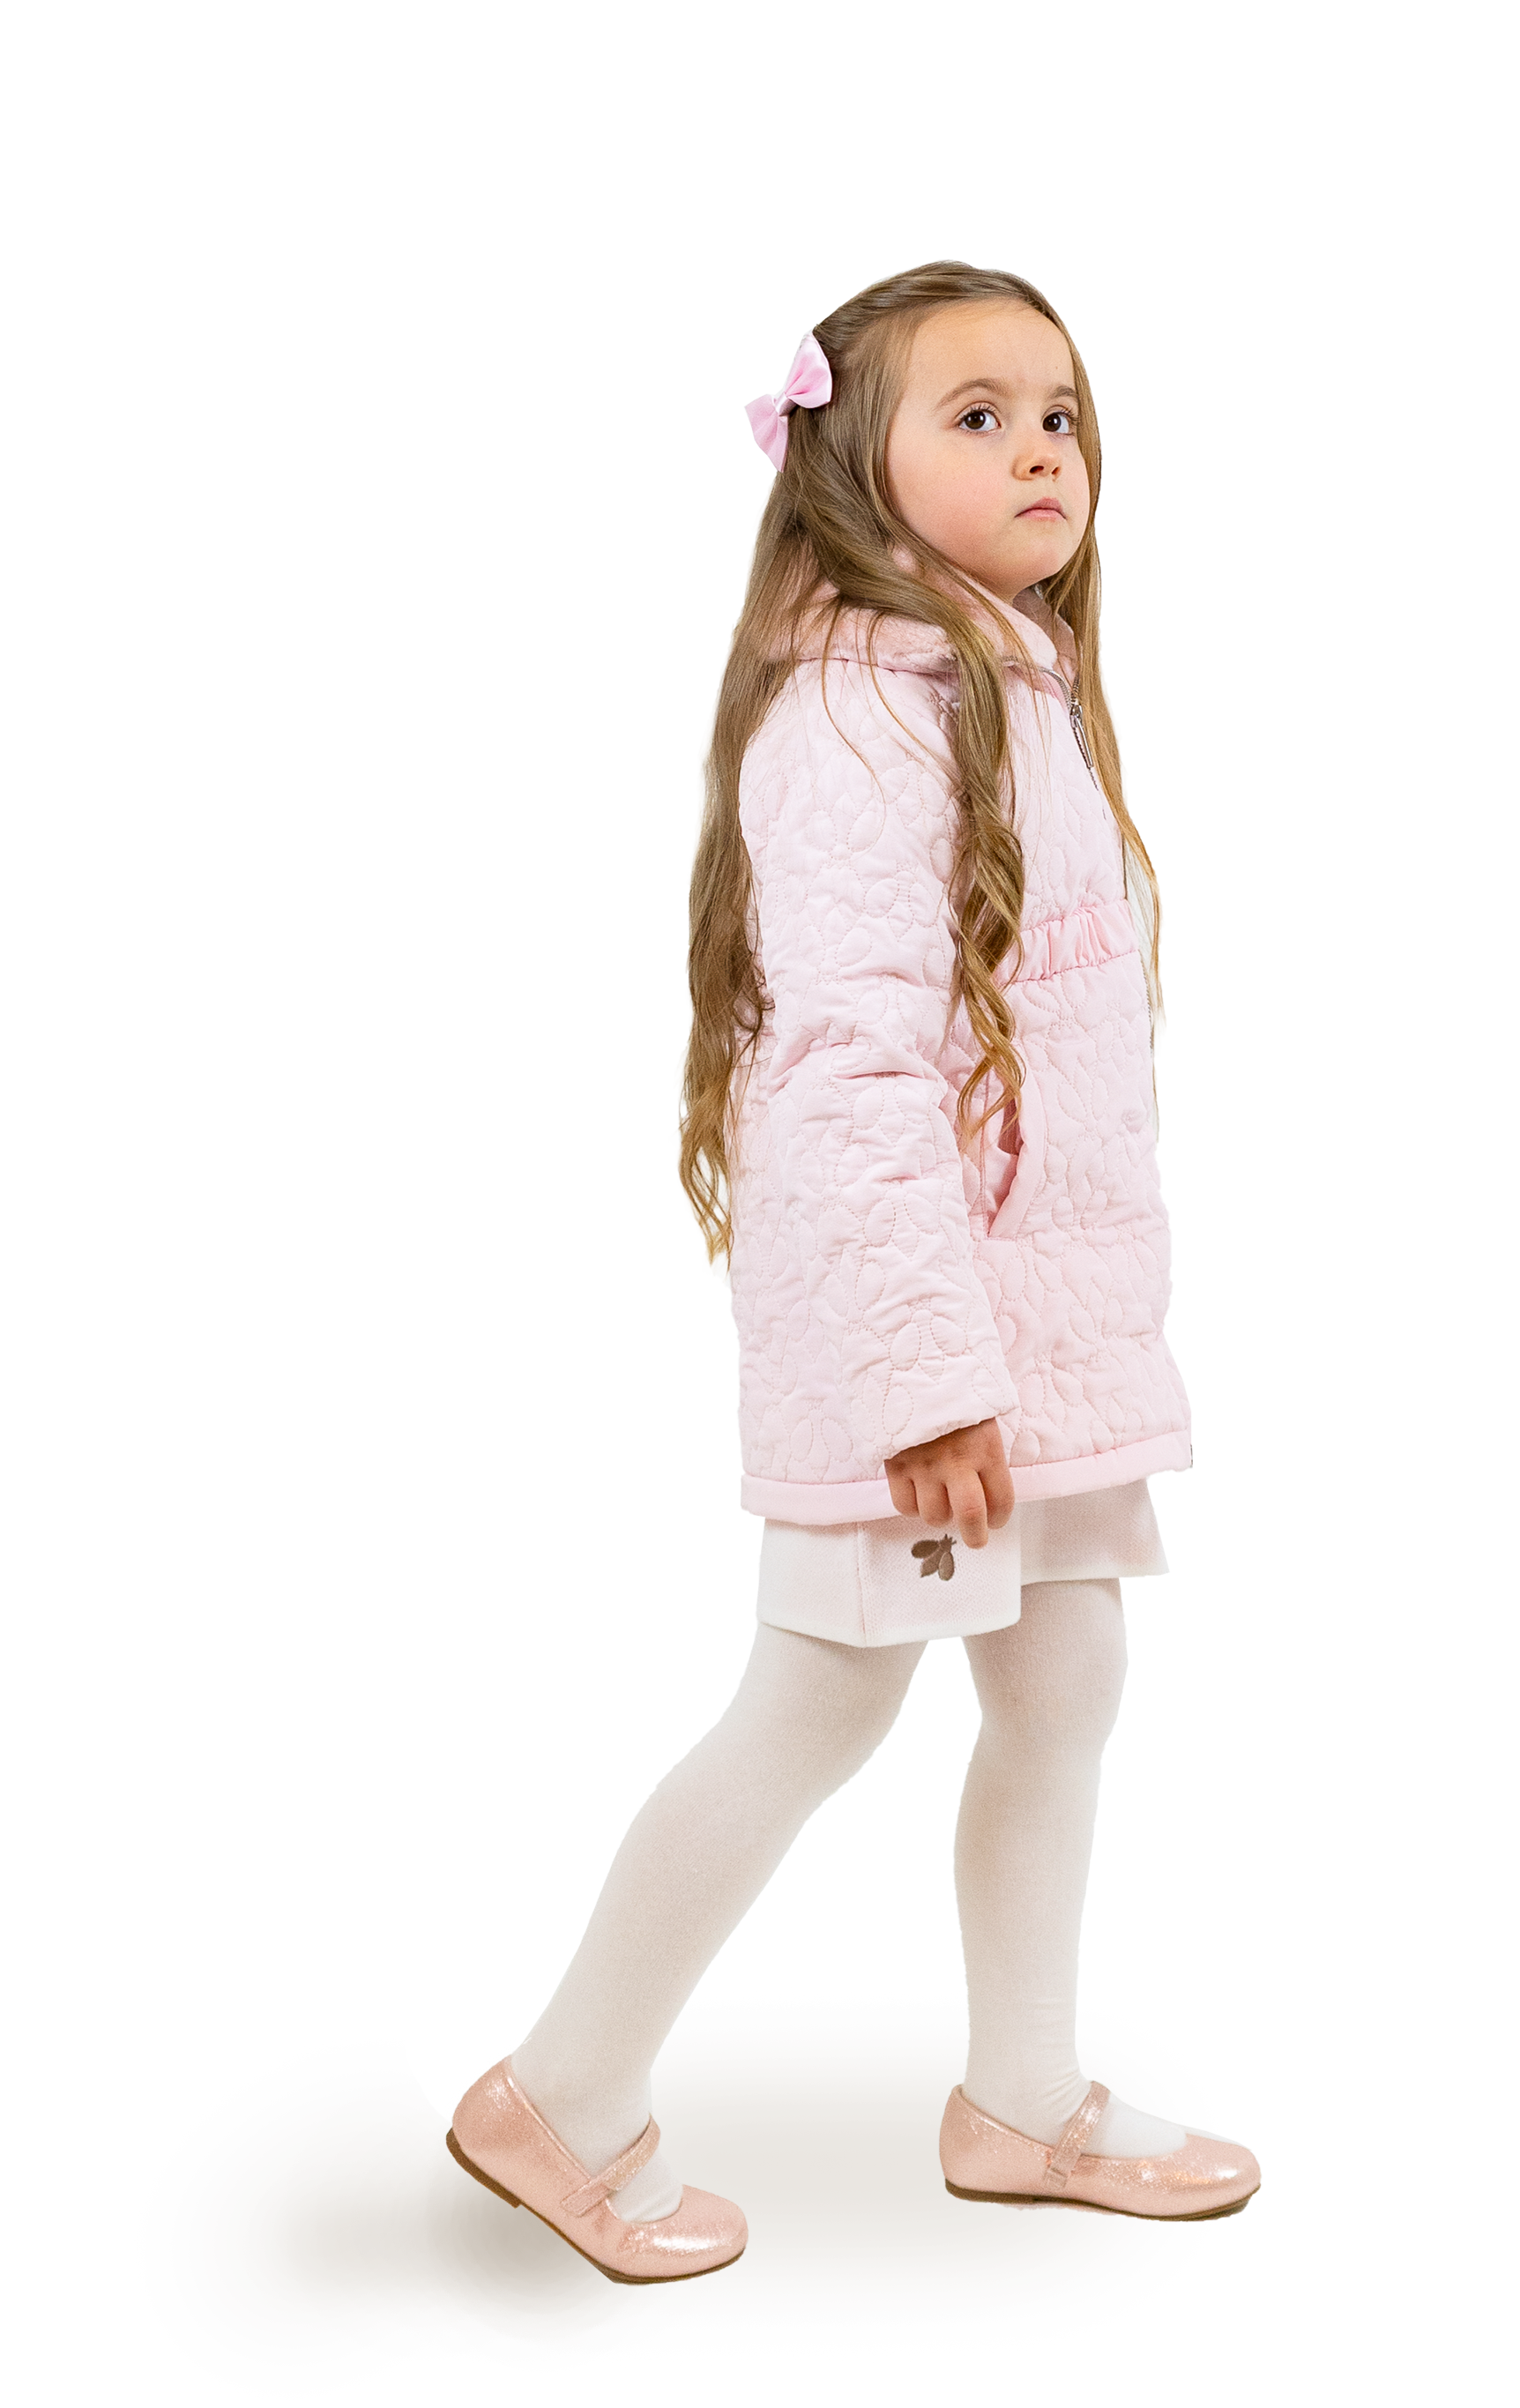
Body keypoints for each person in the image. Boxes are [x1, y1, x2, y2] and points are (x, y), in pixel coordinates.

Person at [445, 262, 1263, 2287]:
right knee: (822, 1697)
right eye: (975, 416)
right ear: (849, 469)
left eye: (1058, 414)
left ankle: (1022, 2097)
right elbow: (844, 1072)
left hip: (1044, 1335)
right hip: (923, 1348)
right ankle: (563, 2087)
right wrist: (925, 1379)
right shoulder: (855, 720)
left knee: (1063, 1683)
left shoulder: (1004, 684)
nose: (1040, 448)